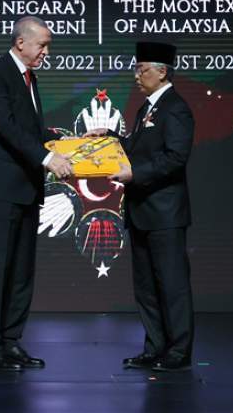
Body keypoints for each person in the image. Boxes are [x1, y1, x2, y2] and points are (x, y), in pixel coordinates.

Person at [0, 16, 73, 371]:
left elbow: (32, 130)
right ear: (20, 43)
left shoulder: (30, 78)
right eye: (43, 45)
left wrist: (71, 142)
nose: (46, 52)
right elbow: (6, 127)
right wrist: (47, 158)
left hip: (26, 190)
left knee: (20, 272)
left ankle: (10, 341)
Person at [88, 41, 195, 372]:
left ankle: (178, 352)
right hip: (142, 211)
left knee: (172, 286)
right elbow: (136, 147)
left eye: (142, 69)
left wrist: (136, 174)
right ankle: (154, 347)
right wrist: (110, 137)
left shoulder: (175, 108)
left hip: (165, 213)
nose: (136, 76)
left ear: (162, 72)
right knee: (146, 287)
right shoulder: (146, 109)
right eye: (136, 69)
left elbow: (175, 157)